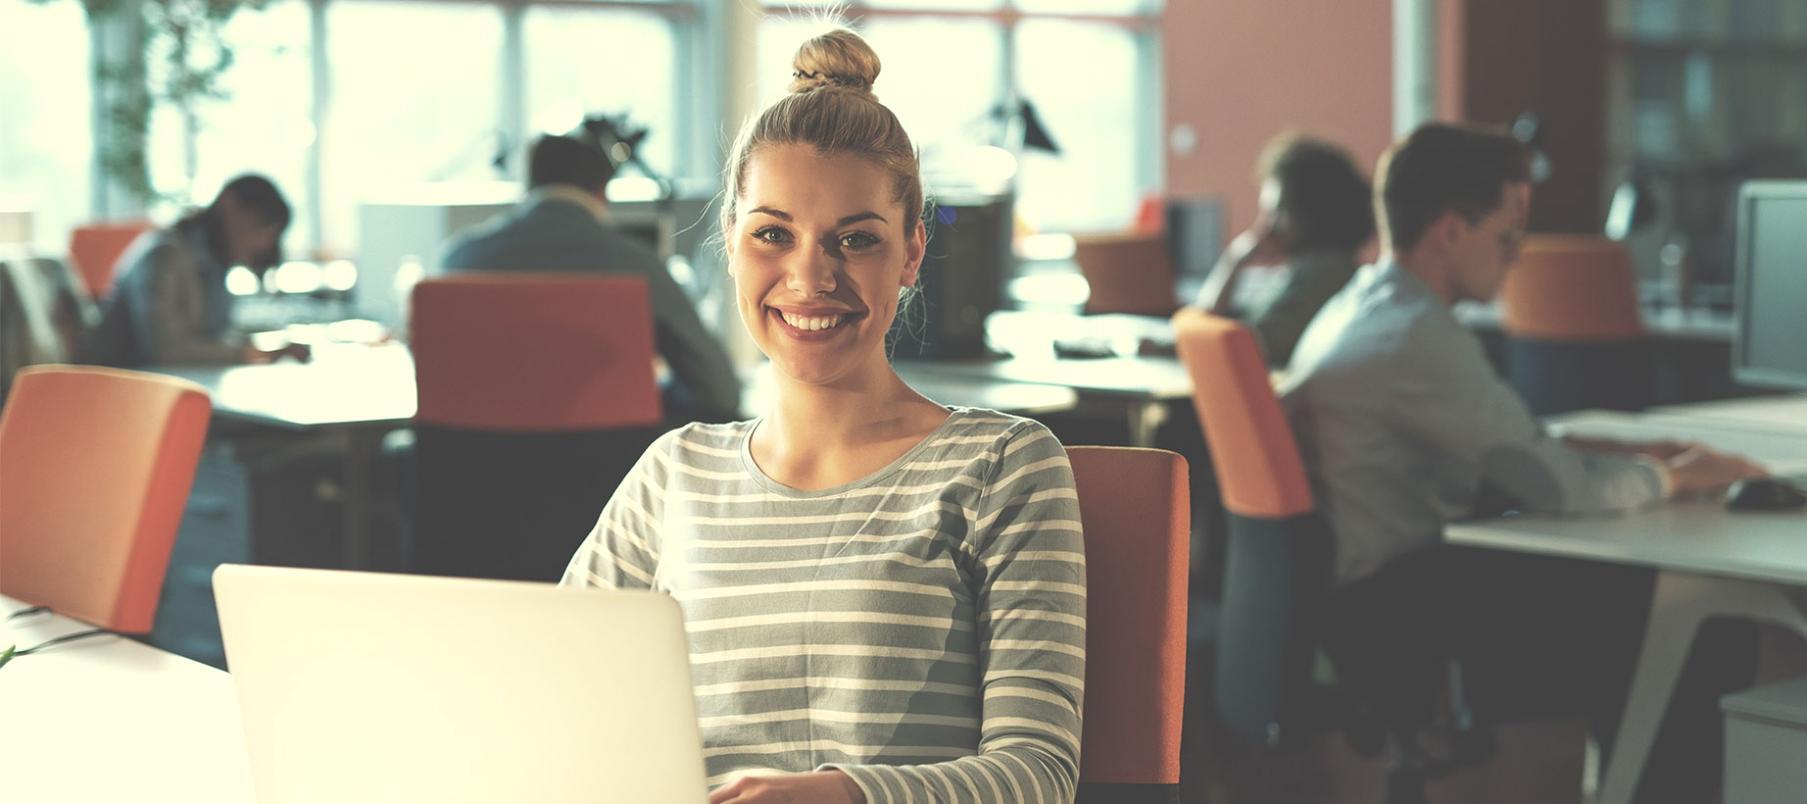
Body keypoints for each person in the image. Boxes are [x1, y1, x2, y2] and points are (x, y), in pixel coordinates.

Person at [561, 28, 1085, 804]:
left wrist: (842, 796)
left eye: (856, 241)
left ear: (910, 255)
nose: (810, 276)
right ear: (731, 246)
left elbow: (1037, 776)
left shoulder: (1003, 464)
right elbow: (553, 703)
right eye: (773, 234)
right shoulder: (674, 474)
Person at [1282, 123, 1765, 801]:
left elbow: (1513, 443)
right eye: (1506, 236)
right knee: (1687, 610)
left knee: (1644, 595)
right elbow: (1558, 489)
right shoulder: (1419, 336)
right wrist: (1679, 474)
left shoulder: (1362, 304)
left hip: (1360, 594)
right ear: (1449, 230)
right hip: (1402, 605)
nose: (1516, 257)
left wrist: (1621, 451)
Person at [440, 134, 742, 423]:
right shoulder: (638, 268)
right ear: (601, 191)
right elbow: (718, 390)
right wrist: (641, 398)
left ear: (529, 183)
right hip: (612, 466)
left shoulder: (460, 261)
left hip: (473, 463)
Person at [83, 174, 308, 367]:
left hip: (169, 390)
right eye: (259, 229)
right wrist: (257, 353)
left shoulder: (215, 265)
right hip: (128, 396)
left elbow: (215, 337)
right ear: (229, 206)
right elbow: (168, 351)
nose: (261, 246)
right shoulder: (165, 255)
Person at [1195, 133, 1374, 367]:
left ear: (1309, 213)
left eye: (1276, 212)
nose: (1267, 226)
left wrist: (1236, 258)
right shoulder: (1323, 270)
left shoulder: (1321, 277)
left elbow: (1229, 348)